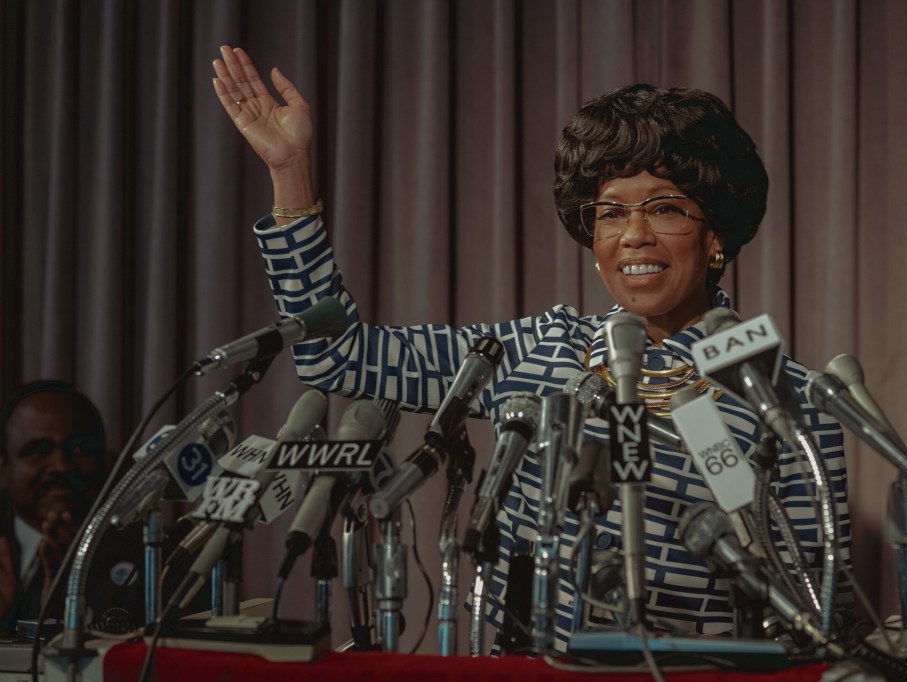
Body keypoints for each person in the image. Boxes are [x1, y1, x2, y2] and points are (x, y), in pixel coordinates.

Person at [211, 45, 852, 649]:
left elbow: (817, 607)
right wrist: (290, 176)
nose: (634, 235)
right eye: (611, 213)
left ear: (716, 236)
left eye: (665, 209)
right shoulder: (543, 350)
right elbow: (340, 357)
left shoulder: (786, 396)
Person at [0, 380, 107, 634]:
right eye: (38, 450)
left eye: (80, 448)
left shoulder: (149, 558)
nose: (61, 466)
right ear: (3, 470)